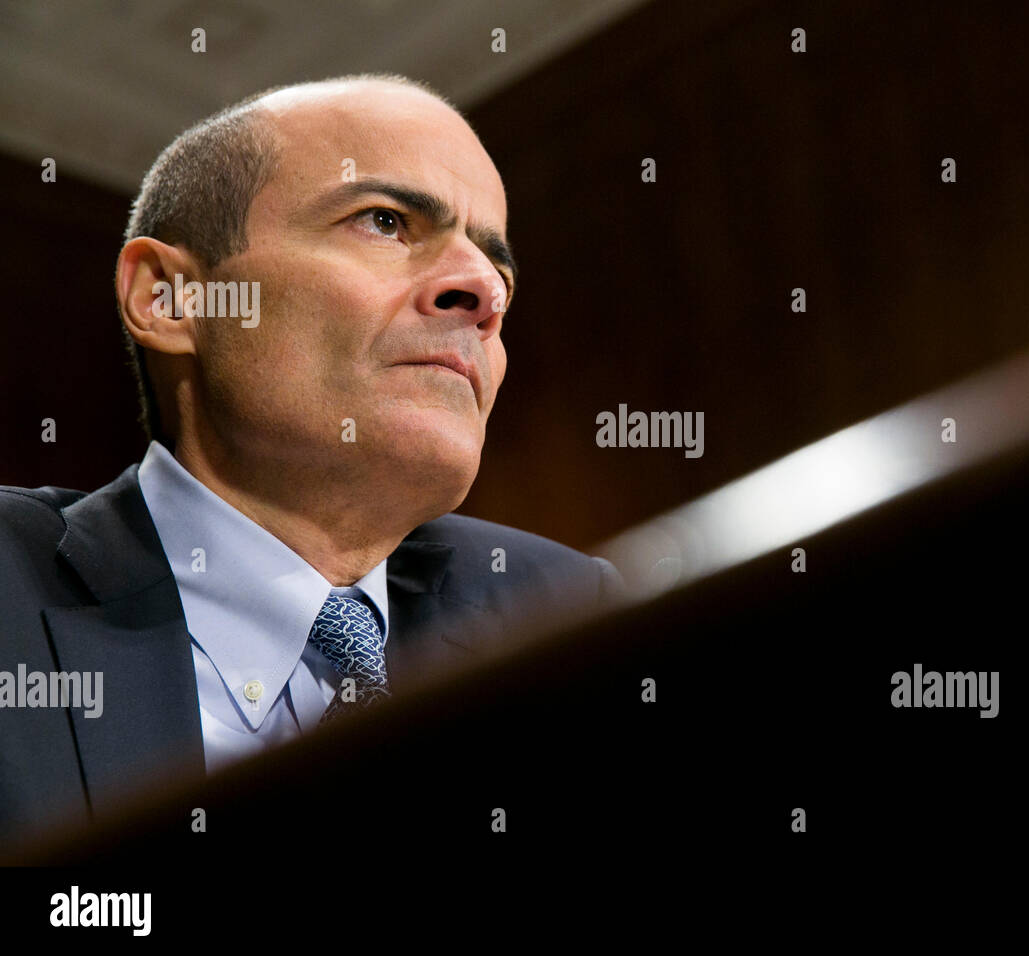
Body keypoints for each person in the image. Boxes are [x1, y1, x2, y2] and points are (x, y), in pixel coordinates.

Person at [0, 74, 622, 845]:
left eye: (499, 271)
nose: (484, 292)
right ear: (169, 298)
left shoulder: (565, 615)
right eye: (386, 222)